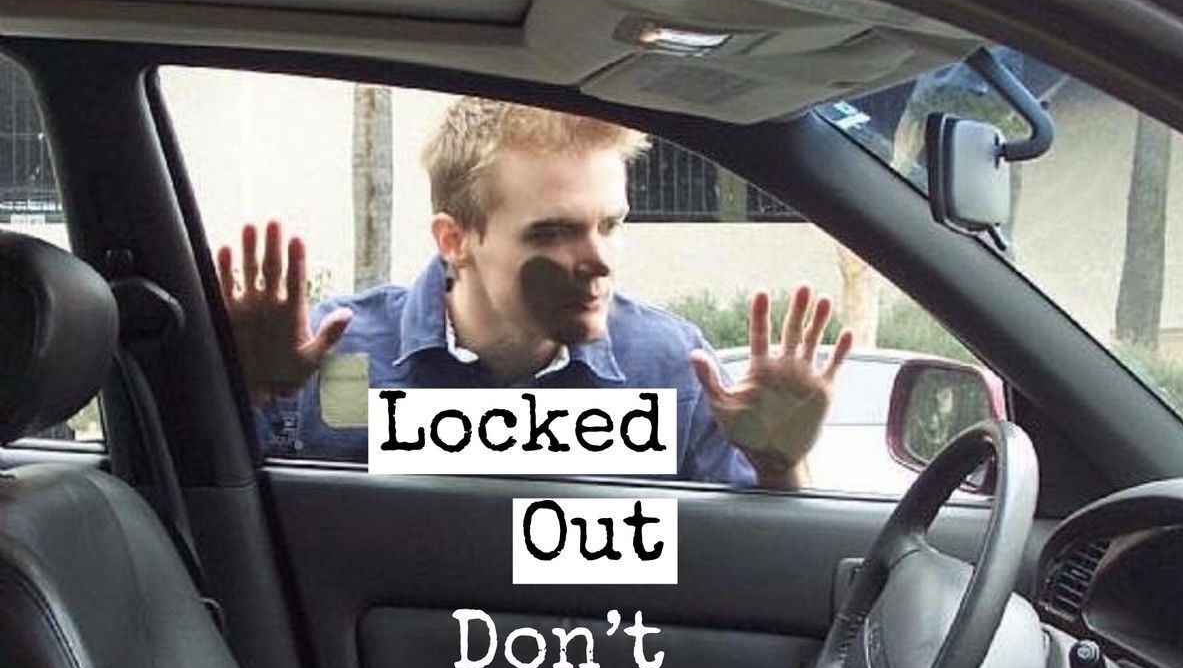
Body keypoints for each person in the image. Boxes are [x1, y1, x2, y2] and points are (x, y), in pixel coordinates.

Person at [217, 97, 853, 488]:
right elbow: (233, 535)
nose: (599, 261)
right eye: (553, 233)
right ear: (455, 239)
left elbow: (743, 570)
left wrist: (779, 466)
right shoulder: (336, 358)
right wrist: (243, 391)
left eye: (611, 225)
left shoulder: (669, 367)